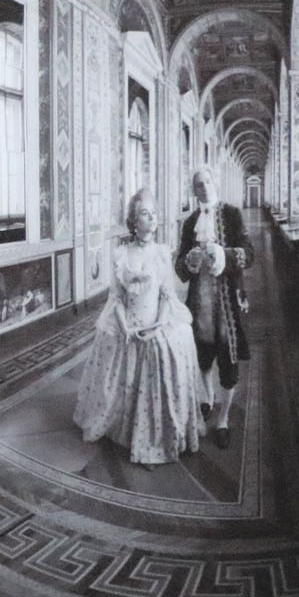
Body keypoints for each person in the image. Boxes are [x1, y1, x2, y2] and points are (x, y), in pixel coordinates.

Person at [72, 190, 205, 466]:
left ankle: (158, 436)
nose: (152, 218)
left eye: (154, 213)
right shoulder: (121, 254)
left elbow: (167, 296)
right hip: (129, 324)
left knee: (170, 346)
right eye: (145, 213)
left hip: (157, 321)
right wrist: (125, 328)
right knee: (119, 348)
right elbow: (116, 299)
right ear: (134, 221)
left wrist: (158, 325)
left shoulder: (162, 253)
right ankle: (128, 428)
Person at [175, 165, 254, 448]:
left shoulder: (232, 214)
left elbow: (249, 254)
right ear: (194, 190)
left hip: (228, 303)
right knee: (203, 358)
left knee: (228, 363)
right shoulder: (189, 223)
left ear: (215, 182)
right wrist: (189, 262)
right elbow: (180, 269)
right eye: (199, 184)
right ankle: (207, 397)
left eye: (208, 181)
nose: (204, 187)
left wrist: (224, 254)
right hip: (199, 304)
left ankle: (223, 419)